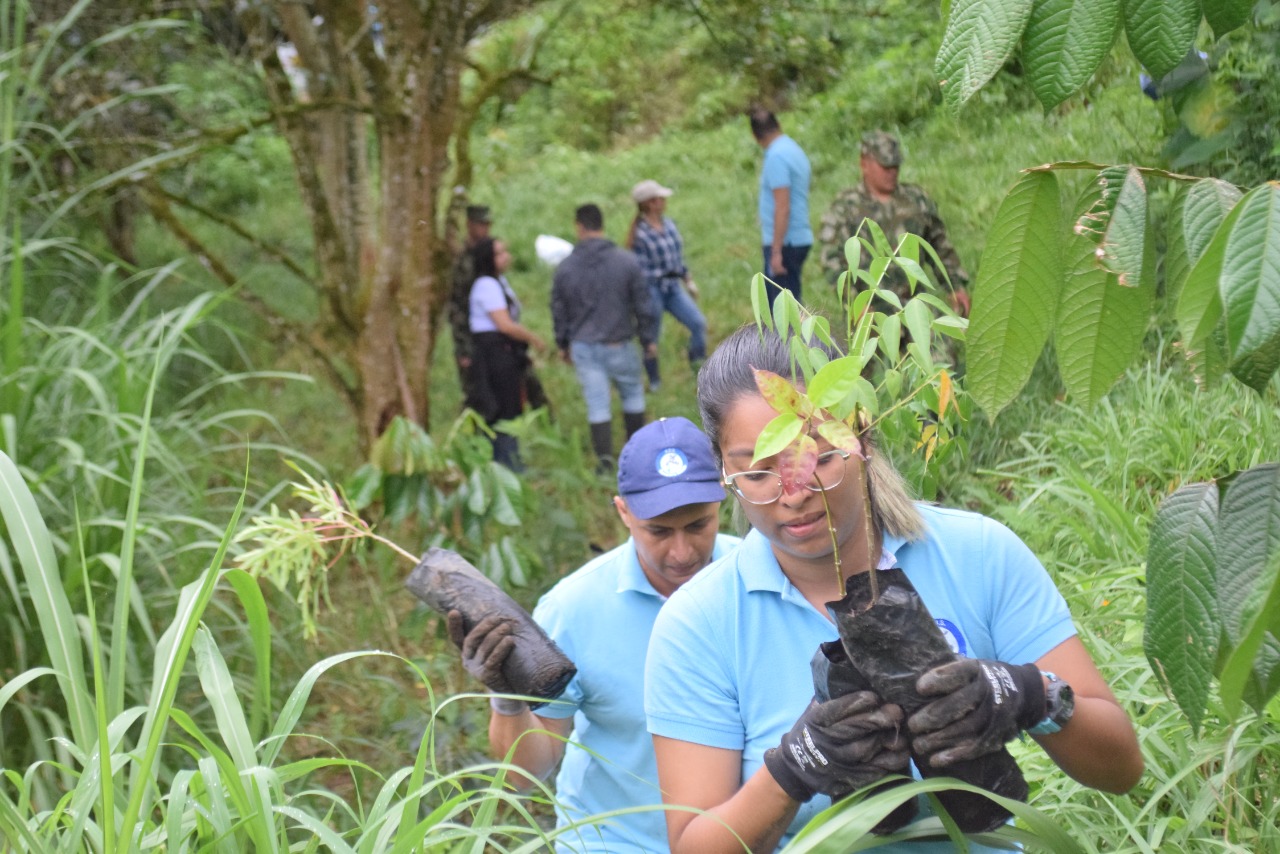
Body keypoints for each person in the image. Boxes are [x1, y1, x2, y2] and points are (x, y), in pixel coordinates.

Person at [644, 324, 1144, 853]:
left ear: (862, 435)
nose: (793, 493)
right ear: (725, 472)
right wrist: (796, 766)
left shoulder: (976, 553)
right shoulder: (699, 625)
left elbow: (1121, 768)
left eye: (819, 456)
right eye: (760, 472)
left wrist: (1027, 694)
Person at [448, 416, 742, 853]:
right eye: (658, 531)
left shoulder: (756, 579)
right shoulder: (573, 609)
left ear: (723, 498)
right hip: (615, 842)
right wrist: (508, 697)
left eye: (698, 526)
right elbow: (526, 774)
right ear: (623, 512)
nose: (681, 552)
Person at [551, 203, 658, 469]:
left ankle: (605, 463)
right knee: (633, 395)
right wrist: (648, 339)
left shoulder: (565, 268)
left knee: (597, 404)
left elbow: (559, 309)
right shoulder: (626, 261)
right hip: (620, 342)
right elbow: (644, 305)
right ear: (602, 225)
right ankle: (639, 459)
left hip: (585, 346)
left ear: (579, 227)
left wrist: (562, 344)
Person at [819, 132, 970, 315]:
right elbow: (832, 261)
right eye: (885, 166)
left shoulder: (916, 200)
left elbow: (939, 245)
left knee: (938, 343)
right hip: (870, 313)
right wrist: (853, 302)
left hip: (915, 309)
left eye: (895, 167)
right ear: (865, 163)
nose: (892, 173)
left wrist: (955, 286)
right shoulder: (845, 208)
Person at [467, 237, 546, 469]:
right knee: (502, 410)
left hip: (502, 353)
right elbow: (505, 324)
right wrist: (533, 338)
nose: (506, 257)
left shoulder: (497, 282)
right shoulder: (486, 285)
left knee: (508, 406)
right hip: (494, 356)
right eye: (500, 253)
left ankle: (507, 461)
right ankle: (508, 464)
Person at [625, 179, 708, 392]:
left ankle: (698, 365)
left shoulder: (669, 224)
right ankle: (654, 381)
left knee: (698, 323)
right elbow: (638, 269)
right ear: (651, 203)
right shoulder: (640, 234)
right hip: (652, 290)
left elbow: (676, 258)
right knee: (650, 336)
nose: (664, 201)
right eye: (660, 198)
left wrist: (687, 279)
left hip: (673, 288)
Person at [750, 108, 813, 307]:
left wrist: (776, 252)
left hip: (786, 242)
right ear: (778, 125)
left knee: (781, 315)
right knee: (791, 306)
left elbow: (783, 205)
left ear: (756, 136)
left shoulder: (776, 157)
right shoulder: (793, 149)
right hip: (798, 237)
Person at [450, 205, 494, 404]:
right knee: (474, 392)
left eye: (487, 225)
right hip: (469, 334)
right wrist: (463, 348)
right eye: (481, 225)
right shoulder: (462, 261)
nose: (485, 229)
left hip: (490, 331)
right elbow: (457, 307)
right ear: (469, 225)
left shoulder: (488, 253)